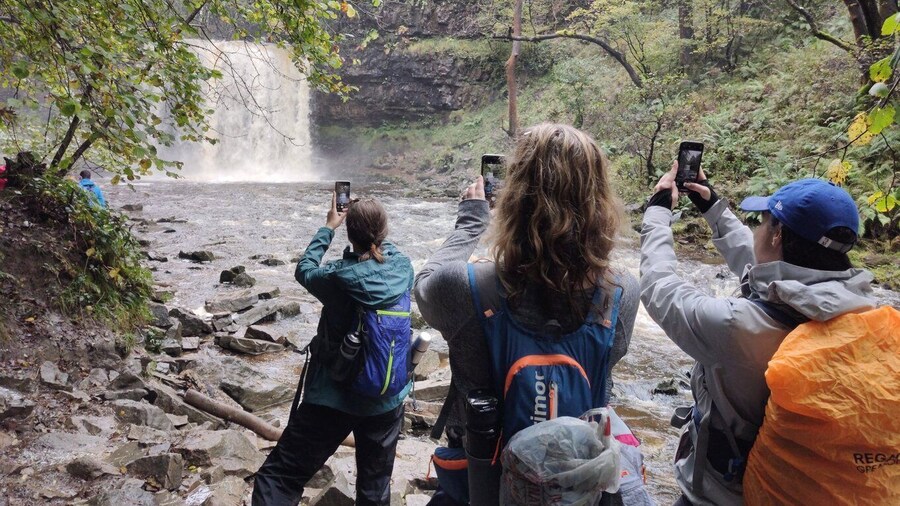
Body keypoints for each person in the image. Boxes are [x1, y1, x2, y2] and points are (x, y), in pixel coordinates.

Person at [415, 123, 645, 504]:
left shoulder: (464, 287)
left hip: (482, 481)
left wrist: (471, 221)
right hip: (574, 487)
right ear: (600, 202)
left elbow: (424, 282)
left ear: (513, 198)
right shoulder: (621, 293)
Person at [640, 164, 876, 505]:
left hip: (723, 496)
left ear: (777, 234)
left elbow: (659, 287)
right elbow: (764, 271)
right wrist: (713, 208)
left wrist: (658, 213)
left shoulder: (735, 326)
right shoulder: (861, 311)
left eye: (763, 221)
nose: (757, 230)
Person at [252, 195, 414, 506]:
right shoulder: (404, 268)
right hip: (388, 398)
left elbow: (305, 269)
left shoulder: (337, 276)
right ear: (384, 232)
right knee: (374, 491)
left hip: (334, 397)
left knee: (279, 478)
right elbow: (384, 253)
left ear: (349, 233)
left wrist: (329, 226)